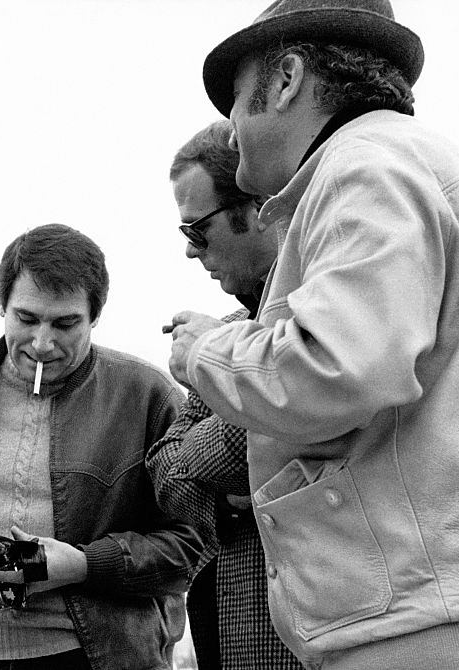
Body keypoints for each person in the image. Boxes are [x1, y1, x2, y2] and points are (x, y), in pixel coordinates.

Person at [166, 1, 459, 668]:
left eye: (237, 99)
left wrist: (203, 350)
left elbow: (334, 370)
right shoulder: (428, 167)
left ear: (287, 79)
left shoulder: (362, 169)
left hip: (428, 631)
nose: (232, 126)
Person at [0, 223, 204, 670]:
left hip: (98, 657)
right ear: (1, 305)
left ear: (95, 315)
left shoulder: (147, 395)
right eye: (26, 318)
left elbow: (190, 546)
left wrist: (83, 565)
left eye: (65, 323)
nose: (42, 343)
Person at [147, 120, 300, 670]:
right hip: (234, 635)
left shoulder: (317, 320)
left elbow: (273, 416)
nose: (191, 254)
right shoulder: (232, 328)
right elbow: (165, 476)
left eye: (197, 232)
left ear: (258, 207)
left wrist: (215, 367)